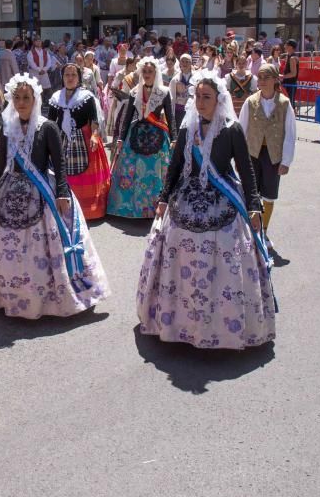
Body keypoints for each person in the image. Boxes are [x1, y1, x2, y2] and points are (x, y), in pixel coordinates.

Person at [136, 70, 274, 349]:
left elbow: (246, 171)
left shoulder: (231, 129)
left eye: (206, 97)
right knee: (175, 242)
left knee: (224, 244)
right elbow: (175, 167)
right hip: (187, 195)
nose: (200, 101)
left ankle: (222, 322)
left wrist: (254, 205)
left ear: (218, 99)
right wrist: (163, 198)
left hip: (222, 195)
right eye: (197, 96)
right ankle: (179, 319)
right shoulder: (188, 128)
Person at [0, 73, 111, 318]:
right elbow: (0, 161)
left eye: (26, 97)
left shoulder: (47, 127)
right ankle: (6, 292)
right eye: (16, 97)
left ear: (35, 99)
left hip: (41, 191)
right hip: (10, 189)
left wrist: (62, 193)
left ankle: (45, 296)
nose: (21, 102)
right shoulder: (8, 127)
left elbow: (59, 164)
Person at [107, 57, 175, 219]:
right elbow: (128, 116)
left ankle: (158, 206)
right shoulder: (134, 92)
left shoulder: (164, 93)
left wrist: (174, 139)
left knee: (157, 171)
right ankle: (130, 208)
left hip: (157, 134)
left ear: (156, 73)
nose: (147, 74)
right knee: (131, 169)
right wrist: (121, 138)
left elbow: (171, 118)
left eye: (150, 71)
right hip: (136, 133)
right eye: (144, 71)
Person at [238, 64, 296, 246]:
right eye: (260, 77)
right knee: (250, 192)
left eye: (266, 77)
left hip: (273, 155)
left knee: (269, 194)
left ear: (275, 80)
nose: (261, 81)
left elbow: (290, 134)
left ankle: (263, 231)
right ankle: (249, 229)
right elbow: (241, 129)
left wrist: (286, 161)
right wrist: (239, 158)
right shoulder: (250, 101)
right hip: (252, 153)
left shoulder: (285, 104)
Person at [47, 63, 111, 220]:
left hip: (84, 139)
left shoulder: (86, 97)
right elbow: (50, 122)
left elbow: (94, 120)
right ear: (62, 77)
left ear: (79, 78)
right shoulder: (56, 98)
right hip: (61, 139)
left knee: (84, 174)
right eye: (66, 75)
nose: (70, 78)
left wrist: (95, 135)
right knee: (61, 172)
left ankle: (87, 210)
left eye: (73, 75)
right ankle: (64, 205)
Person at [169, 53, 194, 129]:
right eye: (182, 61)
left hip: (192, 109)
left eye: (187, 61)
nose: (184, 63)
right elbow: (172, 96)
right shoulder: (175, 79)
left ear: (191, 63)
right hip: (179, 110)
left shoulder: (196, 77)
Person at [27, 39, 53, 105]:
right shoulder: (31, 52)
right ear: (34, 42)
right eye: (37, 41)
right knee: (35, 89)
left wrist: (44, 69)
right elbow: (31, 63)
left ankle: (48, 103)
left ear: (41, 43)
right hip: (35, 73)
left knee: (47, 88)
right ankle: (37, 104)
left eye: (39, 41)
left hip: (44, 73)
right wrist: (39, 69)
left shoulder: (45, 52)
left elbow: (49, 62)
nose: (38, 42)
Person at [281, 39, 300, 105]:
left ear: (290, 47)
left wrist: (282, 76)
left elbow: (293, 73)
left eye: (286, 44)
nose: (284, 46)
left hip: (290, 84)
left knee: (290, 104)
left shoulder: (292, 58)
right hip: (287, 84)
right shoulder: (288, 56)